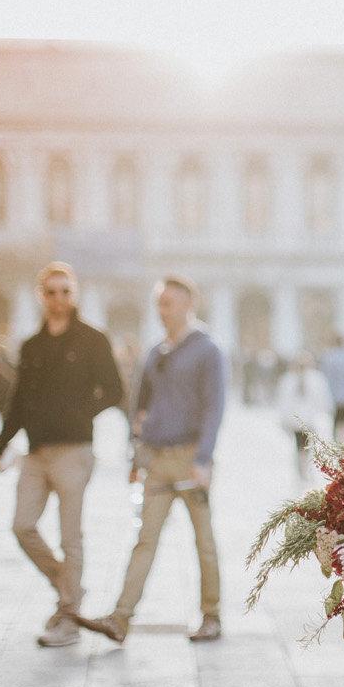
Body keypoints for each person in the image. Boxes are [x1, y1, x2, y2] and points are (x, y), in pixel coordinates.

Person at [77, 275, 227, 644]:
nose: (162, 311)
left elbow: (215, 408)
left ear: (188, 305)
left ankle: (212, 615)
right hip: (157, 461)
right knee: (145, 540)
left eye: (169, 303)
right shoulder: (155, 351)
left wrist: (204, 458)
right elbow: (137, 404)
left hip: (191, 457)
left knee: (203, 541)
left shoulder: (207, 350)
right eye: (159, 303)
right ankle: (120, 617)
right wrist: (136, 451)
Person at [0, 262, 125, 647]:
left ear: (74, 294)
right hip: (35, 452)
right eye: (51, 292)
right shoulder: (32, 345)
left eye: (66, 291)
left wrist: (81, 413)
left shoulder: (92, 339)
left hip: (74, 450)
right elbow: (18, 400)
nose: (59, 299)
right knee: (22, 526)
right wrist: (2, 441)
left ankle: (67, 615)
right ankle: (70, 590)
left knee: (71, 538)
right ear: (41, 296)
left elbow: (114, 390)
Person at [274, 352, 334, 480]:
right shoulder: (311, 378)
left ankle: (302, 466)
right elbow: (322, 398)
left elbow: (282, 401)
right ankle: (304, 466)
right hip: (305, 419)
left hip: (303, 419)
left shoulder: (299, 379)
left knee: (301, 444)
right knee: (305, 443)